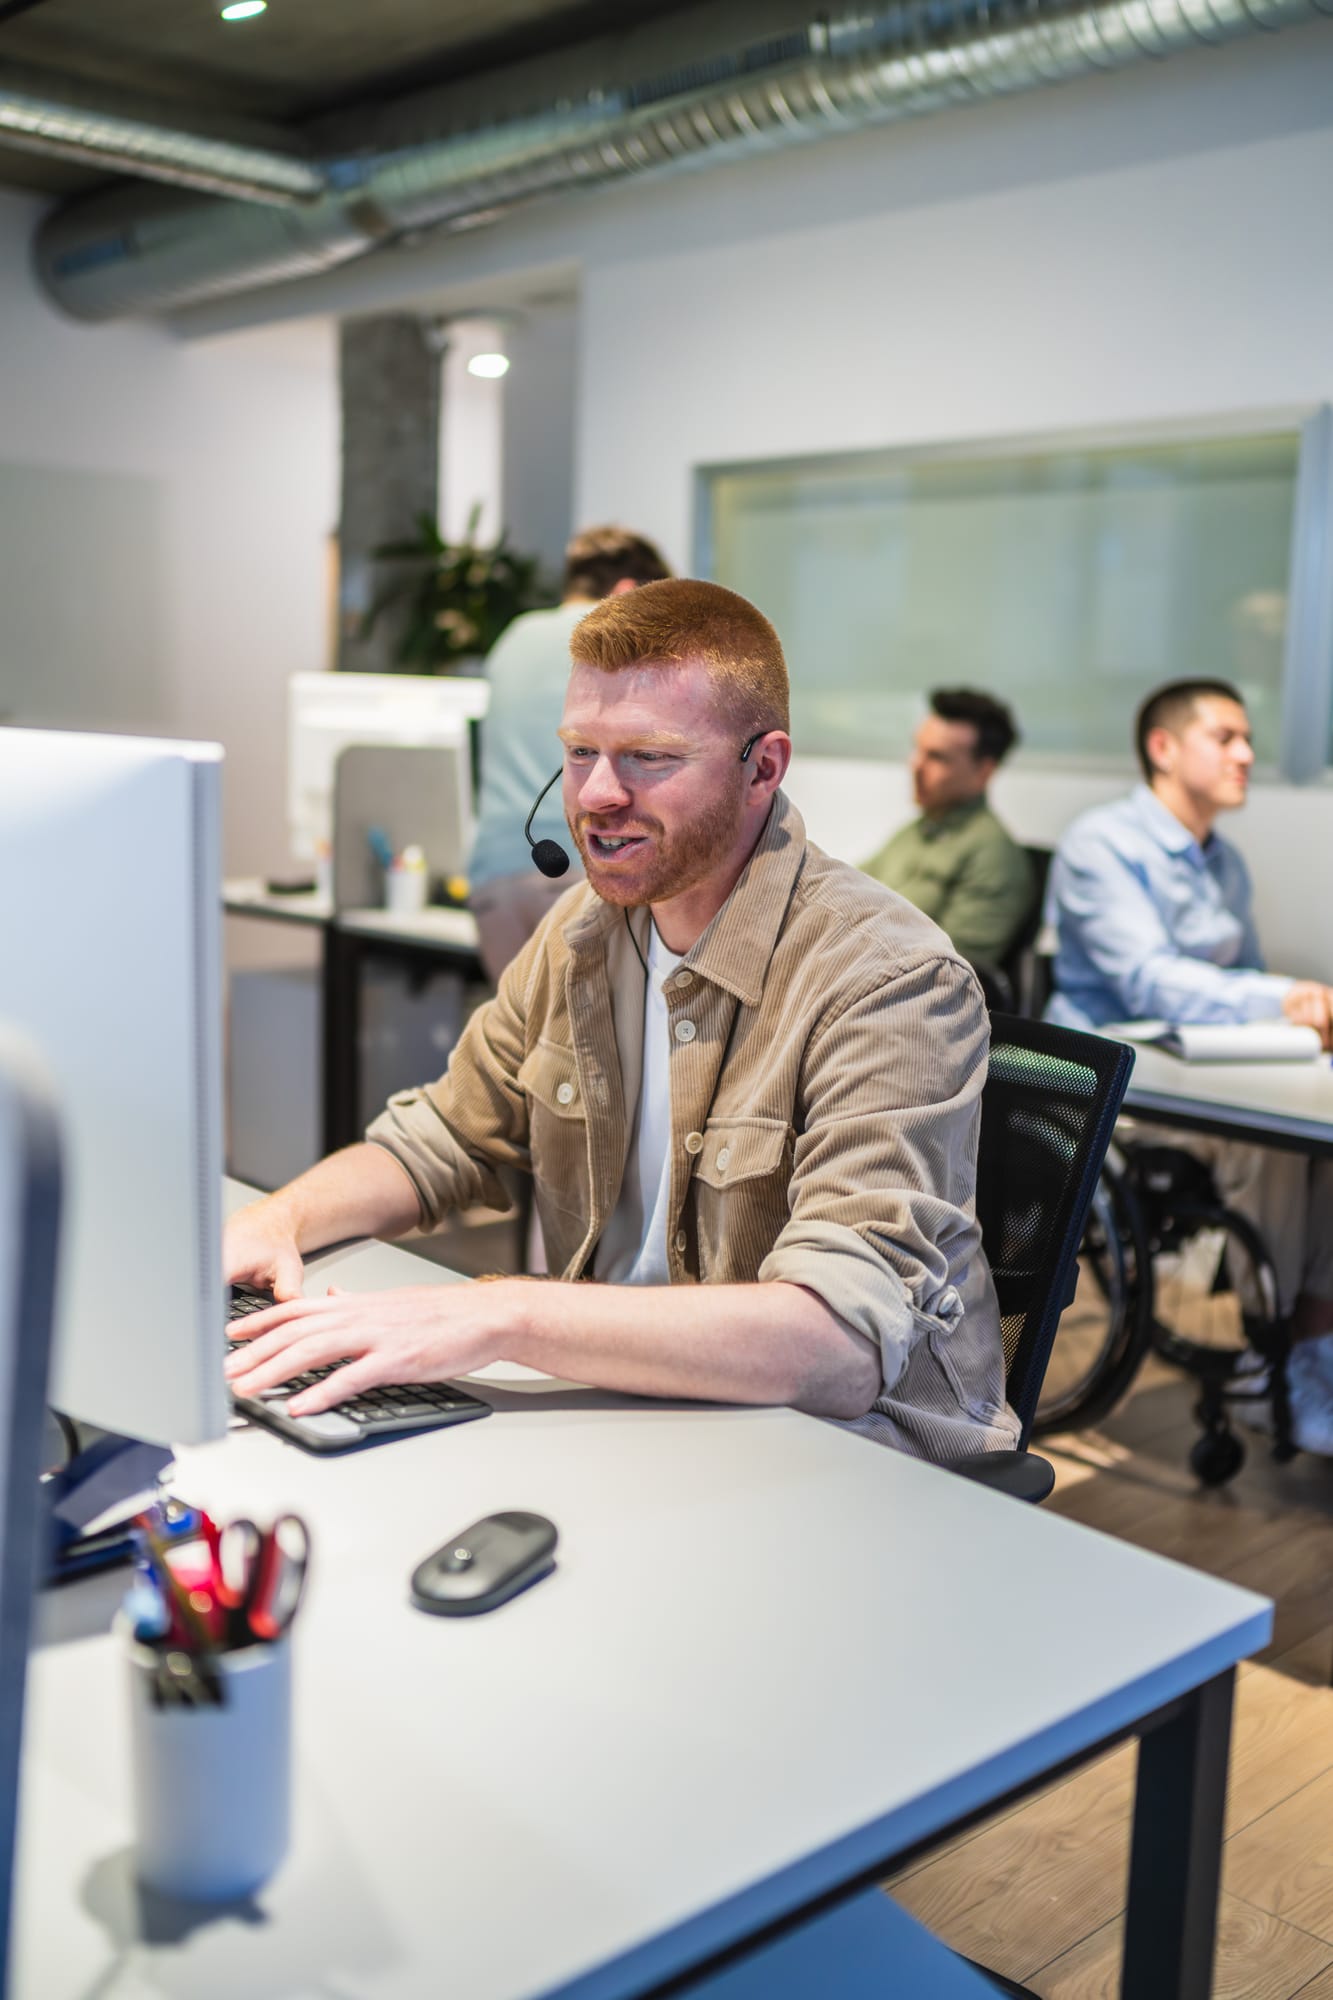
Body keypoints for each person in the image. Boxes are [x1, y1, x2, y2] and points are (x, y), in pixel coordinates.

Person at [225, 579, 1017, 1462]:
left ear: (763, 766)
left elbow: (837, 1345)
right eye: (578, 753)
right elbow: (442, 1138)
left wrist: (505, 1311)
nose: (597, 794)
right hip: (631, 1407)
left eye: (647, 756)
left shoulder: (886, 977)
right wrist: (276, 1223)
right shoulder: (584, 932)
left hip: (838, 1452)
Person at [1046, 676, 1333, 1450]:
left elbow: (1242, 981)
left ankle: (1308, 1344)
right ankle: (1264, 1351)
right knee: (1269, 1140)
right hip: (1112, 1087)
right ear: (1163, 748)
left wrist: (1286, 1012)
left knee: (1320, 1145)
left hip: (1205, 1069)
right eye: (1225, 738)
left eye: (1247, 739)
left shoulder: (1221, 862)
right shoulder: (1101, 845)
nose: (1245, 755)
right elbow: (1146, 980)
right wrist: (1282, 999)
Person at [468, 524, 671, 981]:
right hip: (579, 873)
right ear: (626, 592)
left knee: (532, 1047)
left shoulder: (513, 638)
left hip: (494, 881)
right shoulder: (609, 640)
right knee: (607, 1049)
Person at [860, 688, 1033, 968]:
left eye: (937, 757)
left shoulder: (993, 855)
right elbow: (845, 892)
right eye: (918, 749)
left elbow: (949, 969)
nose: (916, 765)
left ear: (983, 772)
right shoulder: (917, 831)